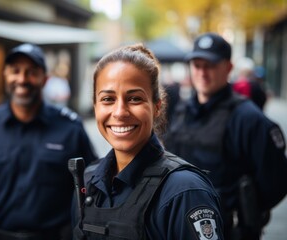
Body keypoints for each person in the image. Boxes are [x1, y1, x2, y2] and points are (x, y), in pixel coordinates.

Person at [72, 43, 224, 239]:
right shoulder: (87, 181)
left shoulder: (185, 191)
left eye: (134, 99)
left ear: (157, 107)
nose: (119, 112)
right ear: (95, 107)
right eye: (108, 99)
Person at [0, 43, 97, 240]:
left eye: (32, 72)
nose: (22, 79)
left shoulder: (70, 127)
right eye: (15, 71)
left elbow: (91, 184)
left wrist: (80, 228)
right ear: (5, 75)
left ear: (44, 79)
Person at [163, 32, 287, 240]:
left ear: (228, 68)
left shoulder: (248, 118)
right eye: (197, 65)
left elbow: (276, 182)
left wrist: (247, 211)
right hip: (179, 228)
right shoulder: (182, 111)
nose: (202, 72)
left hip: (229, 230)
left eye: (210, 65)